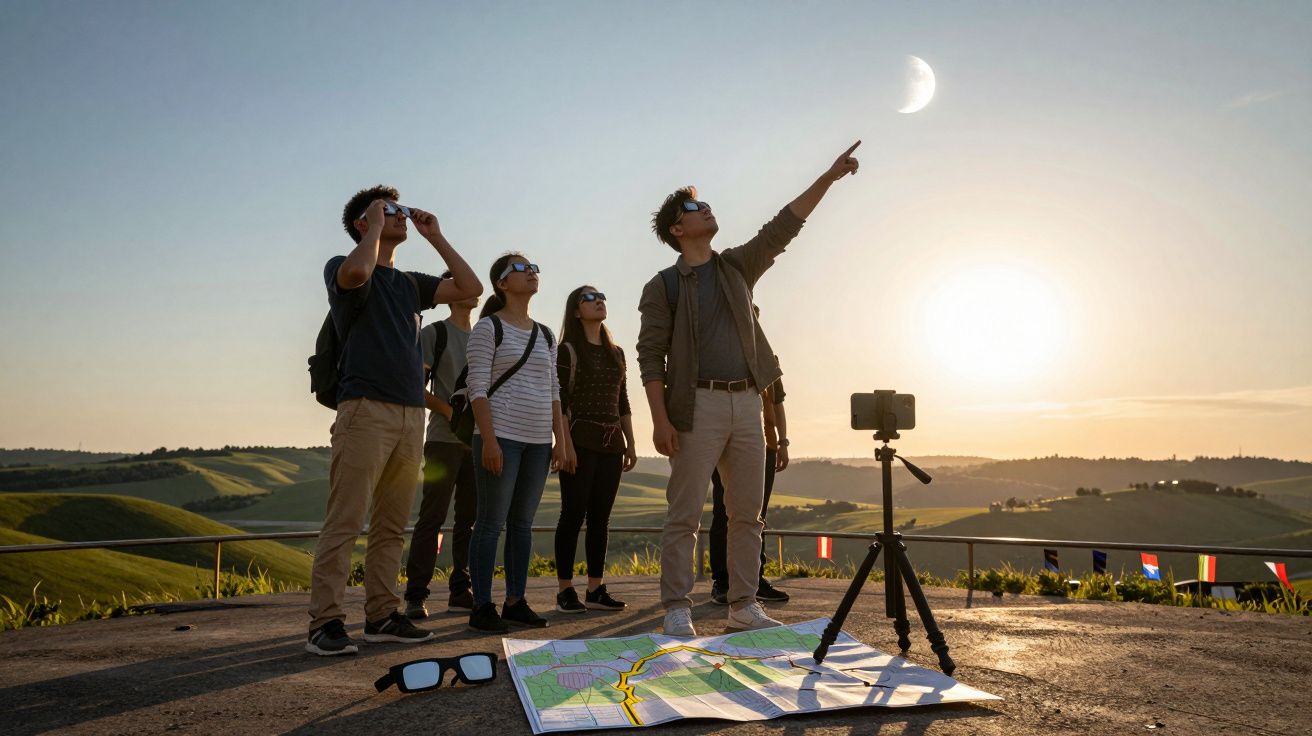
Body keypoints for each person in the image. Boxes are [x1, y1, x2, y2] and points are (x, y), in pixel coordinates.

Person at [637, 142, 861, 636]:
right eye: (695, 207)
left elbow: (784, 226)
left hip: (746, 402)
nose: (707, 208)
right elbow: (650, 357)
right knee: (686, 514)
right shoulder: (664, 286)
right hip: (695, 405)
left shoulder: (737, 266)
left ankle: (743, 604)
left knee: (747, 515)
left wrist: (828, 176)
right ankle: (677, 607)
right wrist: (660, 418)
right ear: (678, 229)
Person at [308, 186, 482, 656]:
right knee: (345, 521)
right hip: (364, 408)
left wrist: (436, 236)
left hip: (410, 416)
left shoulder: (409, 283)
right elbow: (358, 270)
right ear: (363, 222)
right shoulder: (343, 266)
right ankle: (324, 622)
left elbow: (470, 289)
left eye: (400, 210)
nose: (401, 216)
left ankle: (382, 615)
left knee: (391, 525)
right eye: (390, 211)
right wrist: (376, 224)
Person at [466, 253, 576, 634]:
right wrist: (490, 441)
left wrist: (560, 441)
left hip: (537, 442)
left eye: (534, 268)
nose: (531, 272)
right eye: (520, 268)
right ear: (501, 283)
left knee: (522, 525)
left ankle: (515, 601)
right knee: (490, 523)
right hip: (502, 438)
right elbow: (476, 388)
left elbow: (554, 391)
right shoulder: (488, 328)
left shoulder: (545, 334)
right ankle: (481, 606)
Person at [553, 286, 638, 614]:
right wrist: (563, 445)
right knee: (572, 514)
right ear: (576, 311)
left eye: (601, 295)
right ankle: (564, 590)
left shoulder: (616, 352)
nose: (599, 300)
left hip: (612, 444)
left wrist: (630, 442)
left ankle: (595, 588)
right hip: (579, 441)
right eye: (589, 298)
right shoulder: (567, 351)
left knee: (601, 518)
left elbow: (623, 401)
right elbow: (558, 400)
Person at [403, 275, 480, 618]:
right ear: (450, 294)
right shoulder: (436, 332)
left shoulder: (486, 337)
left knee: (470, 521)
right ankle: (416, 596)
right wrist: (451, 413)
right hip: (442, 441)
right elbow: (415, 387)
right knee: (431, 518)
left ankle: (461, 592)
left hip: (478, 443)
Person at [709, 376, 790, 605]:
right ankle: (722, 581)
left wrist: (783, 441)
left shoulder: (769, 360)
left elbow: (778, 403)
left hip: (767, 444)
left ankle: (755, 578)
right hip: (726, 443)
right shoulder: (730, 358)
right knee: (723, 510)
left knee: (757, 514)